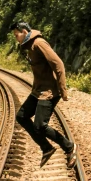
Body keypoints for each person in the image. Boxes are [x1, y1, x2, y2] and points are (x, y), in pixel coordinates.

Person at [11, 21, 77, 168]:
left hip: (49, 91)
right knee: (21, 116)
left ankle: (69, 147)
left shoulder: (39, 43)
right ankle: (46, 148)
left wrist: (63, 90)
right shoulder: (29, 46)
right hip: (38, 91)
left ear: (24, 32)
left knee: (40, 126)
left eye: (16, 35)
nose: (16, 38)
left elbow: (58, 64)